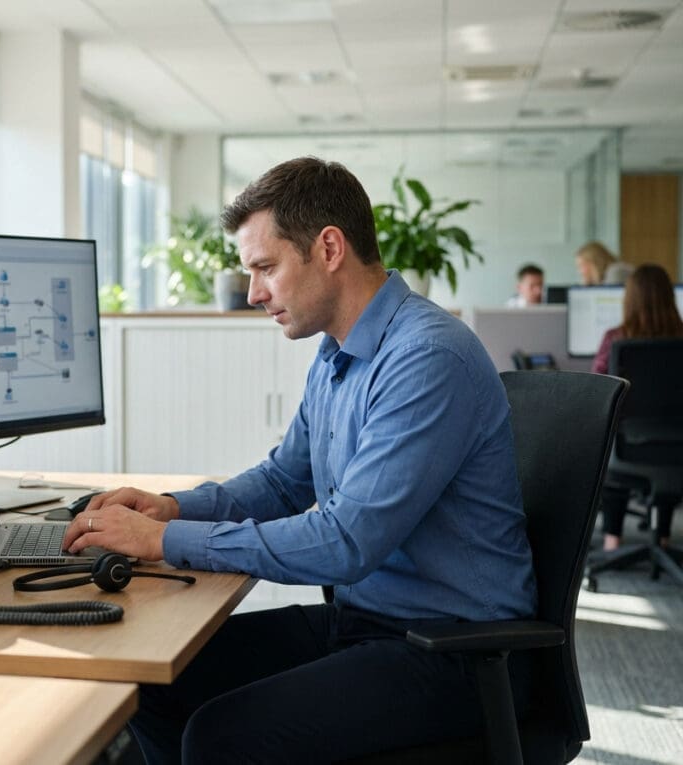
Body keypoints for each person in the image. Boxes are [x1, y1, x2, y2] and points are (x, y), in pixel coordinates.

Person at [62, 157, 538, 762]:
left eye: (265, 268)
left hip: (457, 654)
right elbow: (285, 481)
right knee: (153, 681)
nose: (254, 292)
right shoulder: (339, 354)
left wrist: (166, 540)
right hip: (368, 623)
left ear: (329, 248)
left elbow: (346, 541)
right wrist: (170, 508)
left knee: (220, 739)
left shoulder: (426, 358)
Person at [591, 263, 683, 552]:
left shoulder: (616, 340)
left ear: (628, 299)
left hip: (626, 453)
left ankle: (611, 541)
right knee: (667, 447)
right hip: (678, 453)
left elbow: (597, 395)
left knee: (606, 441)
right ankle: (663, 539)